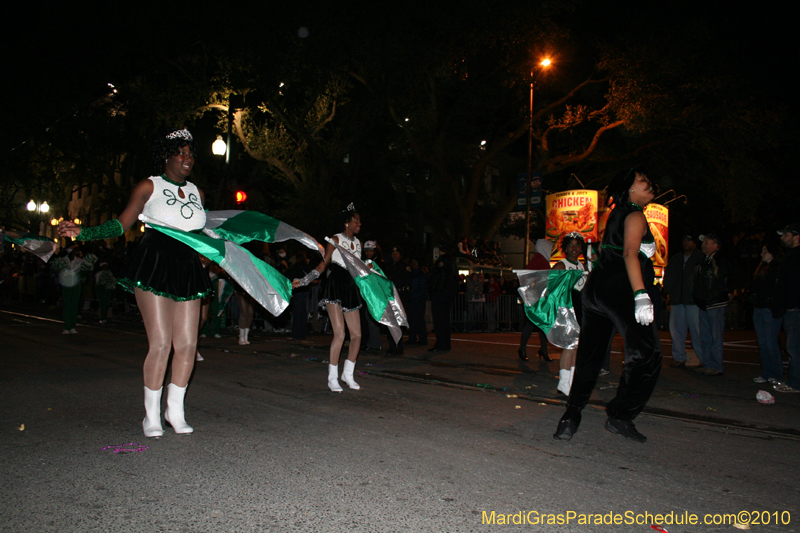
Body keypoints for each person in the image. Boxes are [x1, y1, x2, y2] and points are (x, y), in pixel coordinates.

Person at [58, 128, 212, 437]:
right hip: (154, 261)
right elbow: (121, 224)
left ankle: (175, 410)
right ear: (165, 156)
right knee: (161, 343)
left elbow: (199, 235)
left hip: (187, 267)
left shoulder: (198, 192)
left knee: (188, 344)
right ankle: (151, 416)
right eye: (180, 152)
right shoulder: (148, 186)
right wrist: (83, 232)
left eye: (190, 153)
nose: (187, 158)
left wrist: (213, 255)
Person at [554, 167, 661, 443]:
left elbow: (607, 251)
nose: (648, 183)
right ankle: (621, 415)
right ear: (629, 190)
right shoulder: (635, 214)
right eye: (642, 180)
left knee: (590, 354)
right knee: (647, 354)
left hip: (597, 290)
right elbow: (629, 254)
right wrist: (640, 294)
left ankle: (571, 415)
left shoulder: (616, 215)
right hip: (620, 290)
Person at [292, 204, 363, 392]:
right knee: (340, 333)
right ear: (347, 223)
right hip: (335, 286)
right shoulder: (335, 239)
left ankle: (348, 374)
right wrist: (305, 280)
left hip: (351, 287)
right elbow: (323, 265)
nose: (359, 223)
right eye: (356, 220)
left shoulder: (359, 244)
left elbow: (358, 268)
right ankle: (332, 377)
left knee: (357, 335)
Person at [551, 232, 591, 395]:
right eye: (571, 245)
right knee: (569, 347)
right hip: (566, 311)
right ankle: (563, 383)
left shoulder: (582, 266)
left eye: (577, 245)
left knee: (576, 347)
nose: (574, 248)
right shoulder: (561, 266)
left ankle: (572, 381)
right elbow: (551, 290)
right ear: (565, 248)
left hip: (579, 311)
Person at [663, 235, 705, 368]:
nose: (686, 243)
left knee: (697, 331)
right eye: (685, 240)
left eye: (689, 240)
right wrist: (670, 292)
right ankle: (679, 357)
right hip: (677, 300)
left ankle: (703, 358)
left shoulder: (700, 258)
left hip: (693, 301)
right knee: (676, 331)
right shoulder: (676, 258)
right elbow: (668, 277)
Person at [692, 232, 730, 376]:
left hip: (714, 304)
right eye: (703, 242)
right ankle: (708, 363)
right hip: (704, 303)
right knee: (706, 336)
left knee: (715, 336)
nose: (703, 245)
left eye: (707, 242)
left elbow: (723, 282)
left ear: (716, 245)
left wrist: (713, 297)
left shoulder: (719, 261)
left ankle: (716, 365)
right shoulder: (704, 261)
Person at [771, 223, 800, 393]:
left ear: (796, 237)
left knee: (794, 347)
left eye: (786, 235)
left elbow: (793, 283)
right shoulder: (790, 256)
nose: (782, 238)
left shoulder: (795, 257)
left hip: (795, 309)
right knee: (794, 347)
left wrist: (791, 305)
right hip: (792, 308)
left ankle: (795, 383)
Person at [750, 243, 783, 384]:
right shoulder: (761, 269)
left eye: (765, 251)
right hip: (759, 307)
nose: (762, 254)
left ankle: (775, 374)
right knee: (763, 344)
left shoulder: (777, 269)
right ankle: (766, 373)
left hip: (769, 309)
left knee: (771, 343)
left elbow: (776, 289)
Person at [518, 239, 553, 362]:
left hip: (536, 298)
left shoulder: (537, 260)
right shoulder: (541, 261)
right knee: (536, 324)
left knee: (537, 324)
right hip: (536, 299)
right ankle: (540, 350)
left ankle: (538, 349)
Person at [428, 242, 459, 352]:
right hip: (446, 294)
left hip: (441, 295)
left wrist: (436, 290)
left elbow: (441, 278)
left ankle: (441, 344)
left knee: (439, 320)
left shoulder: (443, 261)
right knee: (444, 320)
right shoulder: (451, 260)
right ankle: (444, 344)